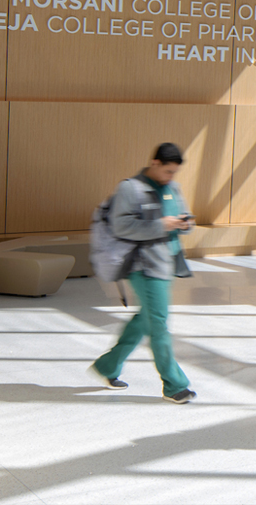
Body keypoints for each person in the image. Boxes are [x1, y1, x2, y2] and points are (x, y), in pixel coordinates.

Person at [90, 143, 196, 404]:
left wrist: (186, 223)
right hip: (143, 266)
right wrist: (162, 225)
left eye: (175, 172)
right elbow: (122, 226)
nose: (171, 177)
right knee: (158, 324)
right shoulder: (130, 188)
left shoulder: (173, 188)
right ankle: (174, 385)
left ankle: (108, 366)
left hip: (166, 262)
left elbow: (184, 218)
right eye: (168, 171)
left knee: (144, 319)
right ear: (155, 163)